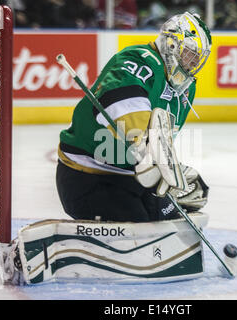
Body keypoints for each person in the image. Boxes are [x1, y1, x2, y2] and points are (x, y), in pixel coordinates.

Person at [56, 12, 211, 223]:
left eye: (197, 58)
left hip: (131, 177)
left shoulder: (185, 90)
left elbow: (159, 144)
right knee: (139, 224)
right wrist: (149, 155)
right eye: (189, 54)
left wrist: (172, 171)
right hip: (88, 176)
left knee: (175, 214)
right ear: (172, 44)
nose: (192, 63)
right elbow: (126, 112)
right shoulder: (137, 60)